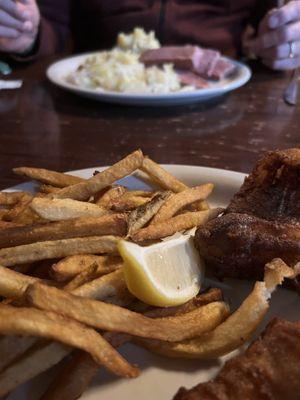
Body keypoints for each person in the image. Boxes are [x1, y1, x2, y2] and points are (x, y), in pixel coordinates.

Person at [0, 0, 299, 70]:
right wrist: (28, 35)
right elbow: (51, 21)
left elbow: (272, 12)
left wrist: (285, 35)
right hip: (86, 99)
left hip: (223, 93)